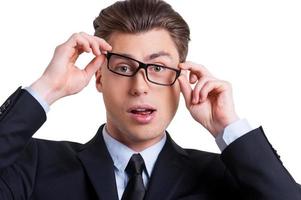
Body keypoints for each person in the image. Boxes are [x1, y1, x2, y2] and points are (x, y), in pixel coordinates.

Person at [0, 0, 300, 199]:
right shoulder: (34, 163)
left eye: (157, 67)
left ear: (182, 78)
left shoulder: (224, 175)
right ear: (99, 78)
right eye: (123, 68)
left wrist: (228, 128)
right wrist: (47, 88)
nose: (140, 86)